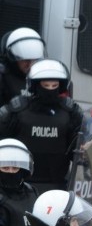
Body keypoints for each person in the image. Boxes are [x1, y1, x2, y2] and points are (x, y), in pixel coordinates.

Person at [0, 59, 83, 194]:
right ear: (35, 85)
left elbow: (78, 144)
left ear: (61, 85)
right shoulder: (16, 111)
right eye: (46, 85)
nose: (50, 89)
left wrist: (85, 149)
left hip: (58, 183)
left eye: (54, 85)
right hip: (21, 184)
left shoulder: (70, 111)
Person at [0, 28, 45, 107]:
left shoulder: (43, 77)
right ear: (13, 58)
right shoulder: (3, 77)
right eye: (26, 60)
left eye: (34, 60)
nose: (30, 64)